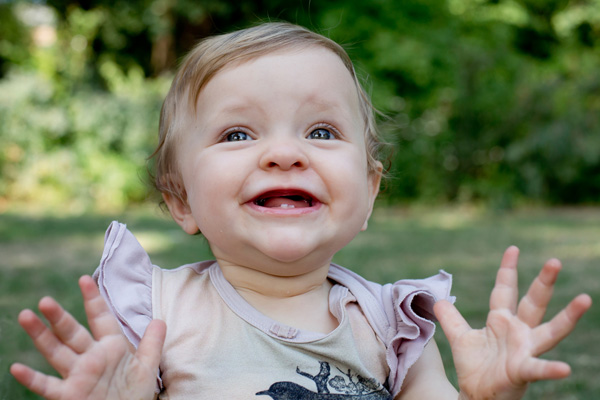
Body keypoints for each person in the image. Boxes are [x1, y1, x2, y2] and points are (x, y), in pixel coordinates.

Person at [10, 22, 592, 400]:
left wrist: (488, 398)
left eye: (320, 130)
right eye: (237, 134)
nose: (285, 154)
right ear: (180, 199)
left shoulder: (390, 328)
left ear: (368, 193)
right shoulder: (155, 318)